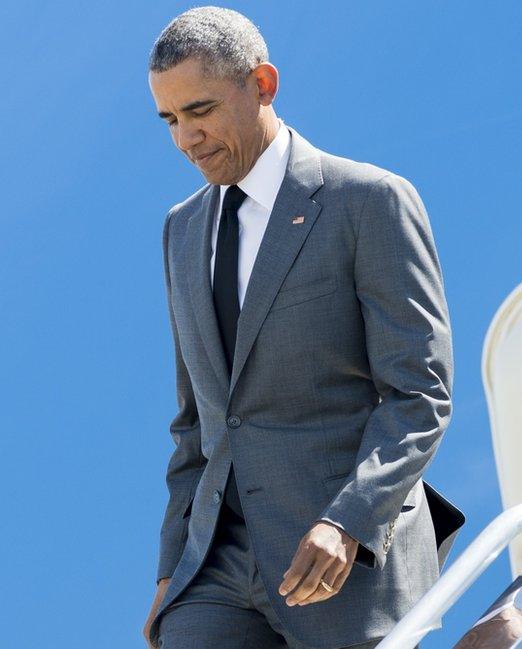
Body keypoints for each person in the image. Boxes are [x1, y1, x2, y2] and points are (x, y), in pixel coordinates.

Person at [141, 7, 464, 648]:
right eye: (170, 120)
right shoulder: (182, 230)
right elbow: (197, 424)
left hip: (343, 557)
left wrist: (347, 521)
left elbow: (419, 392)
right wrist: (172, 566)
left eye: (200, 111)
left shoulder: (368, 201)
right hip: (217, 565)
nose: (186, 138)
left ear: (263, 84)